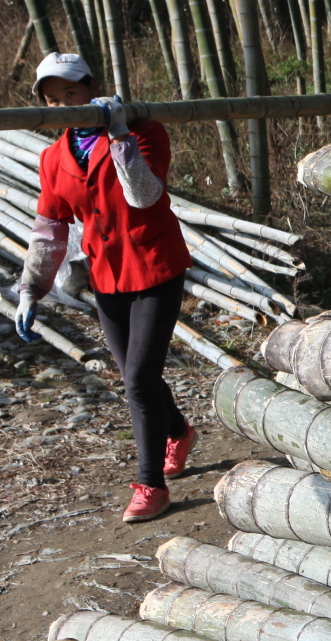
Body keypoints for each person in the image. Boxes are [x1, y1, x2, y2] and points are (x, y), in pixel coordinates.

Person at [14, 52, 196, 523]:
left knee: (137, 379)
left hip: (156, 266)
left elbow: (143, 196)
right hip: (107, 276)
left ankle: (150, 486)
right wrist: (31, 288)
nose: (63, 106)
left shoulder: (144, 132)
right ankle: (178, 431)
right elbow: (50, 227)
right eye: (53, 100)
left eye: (70, 94)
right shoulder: (54, 158)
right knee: (141, 375)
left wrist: (118, 137)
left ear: (91, 87)